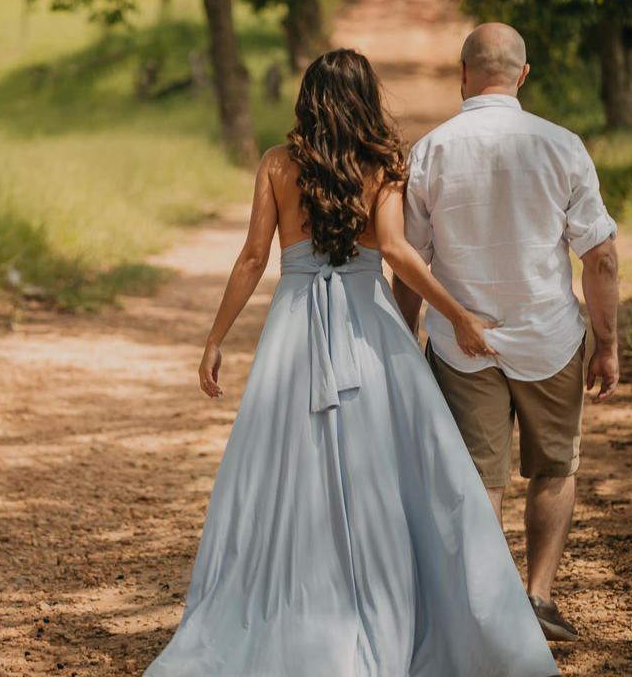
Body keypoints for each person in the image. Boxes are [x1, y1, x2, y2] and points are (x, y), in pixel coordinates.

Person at [144, 49, 559, 677]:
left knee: (287, 467)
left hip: (294, 329)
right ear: (367, 99)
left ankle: (292, 603)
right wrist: (459, 315)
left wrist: (214, 339)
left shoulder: (278, 164)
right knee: (394, 471)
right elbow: (395, 251)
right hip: (371, 327)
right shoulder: (384, 166)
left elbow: (254, 257)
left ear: (308, 97)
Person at [392, 22, 620, 643]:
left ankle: (488, 611)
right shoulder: (562, 145)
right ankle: (539, 597)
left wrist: (406, 336)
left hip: (462, 344)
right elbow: (599, 256)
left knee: (478, 477)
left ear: (462, 74)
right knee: (554, 468)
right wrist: (608, 342)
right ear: (522, 75)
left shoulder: (431, 151)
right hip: (549, 337)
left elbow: (410, 261)